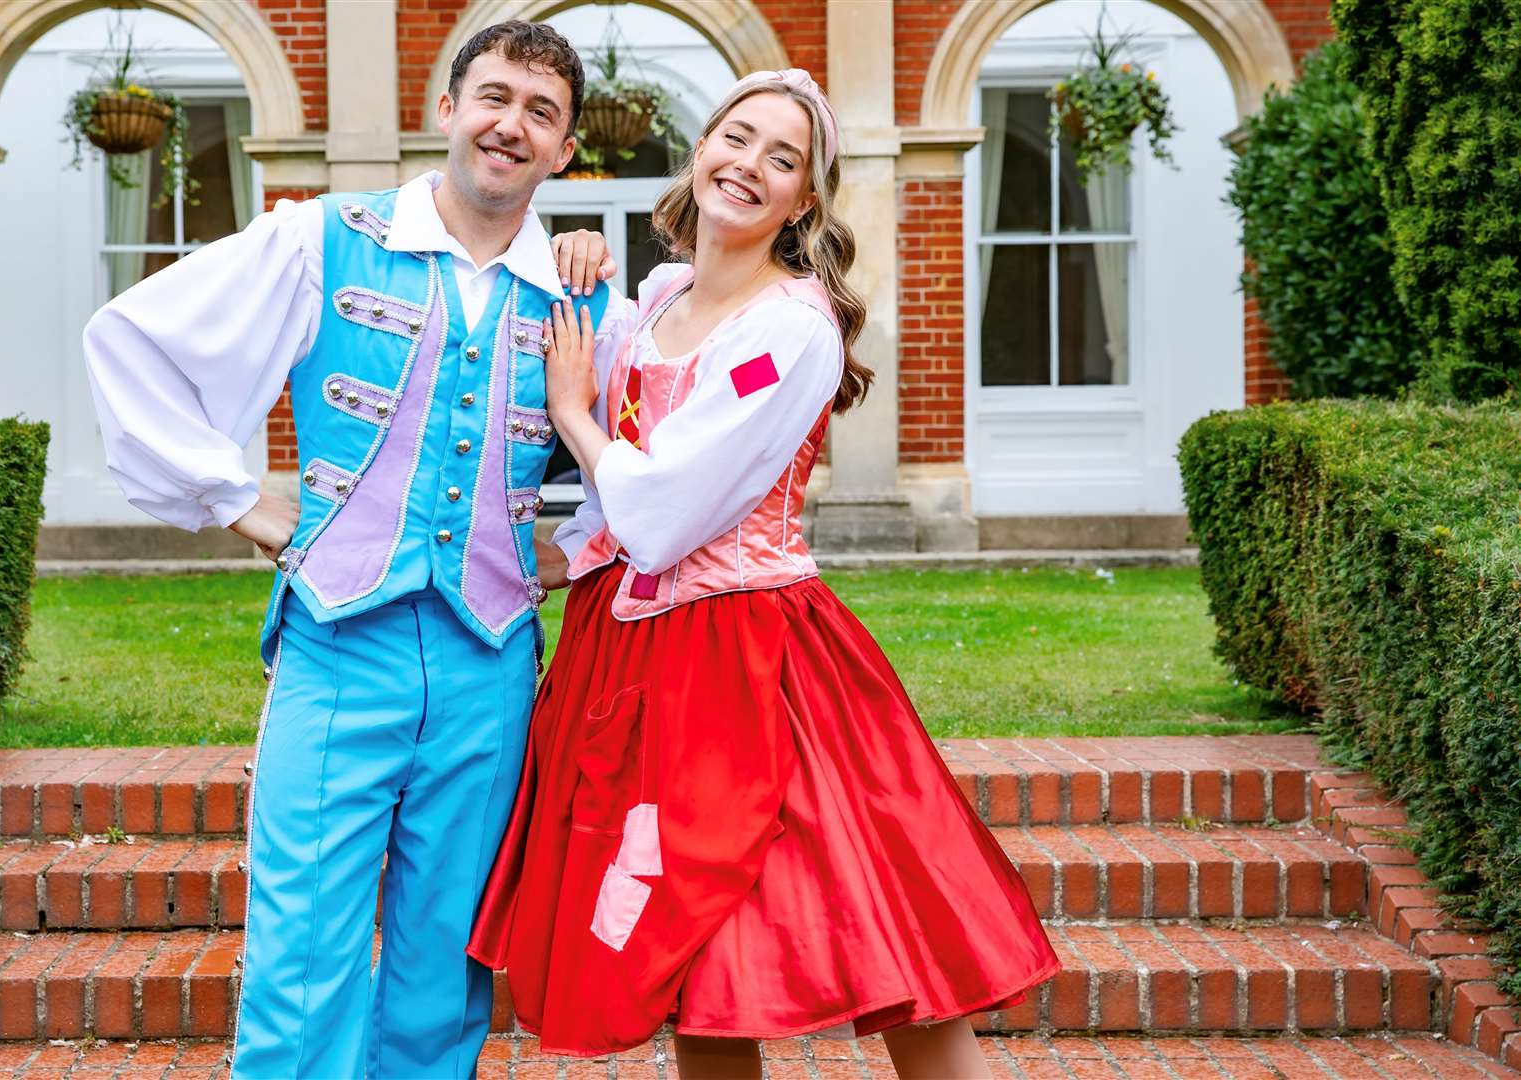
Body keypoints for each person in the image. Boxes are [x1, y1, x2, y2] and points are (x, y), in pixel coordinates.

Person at [466, 69, 1060, 1079]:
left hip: (753, 660)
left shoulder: (793, 330)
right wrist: (567, 256)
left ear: (805, 200)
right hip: (628, 654)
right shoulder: (655, 299)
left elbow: (663, 505)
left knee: (882, 930)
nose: (748, 164)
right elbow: (621, 464)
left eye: (781, 158)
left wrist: (575, 413)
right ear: (701, 149)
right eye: (736, 138)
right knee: (698, 968)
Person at [81, 21, 630, 1079]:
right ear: (448, 109)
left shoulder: (585, 294)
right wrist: (243, 504)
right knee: (300, 959)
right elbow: (135, 340)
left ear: (565, 151)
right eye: (496, 97)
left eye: (542, 113)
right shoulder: (321, 238)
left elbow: (648, 447)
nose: (511, 125)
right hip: (338, 648)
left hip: (490, 663)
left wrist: (581, 545)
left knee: (444, 970)